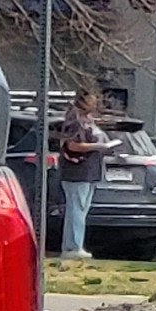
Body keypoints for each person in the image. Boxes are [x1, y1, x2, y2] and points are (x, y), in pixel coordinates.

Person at [49, 90, 118, 257]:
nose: (95, 103)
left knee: (82, 209)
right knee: (76, 209)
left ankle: (73, 245)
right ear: (83, 100)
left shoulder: (89, 120)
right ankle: (73, 247)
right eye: (92, 100)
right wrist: (97, 147)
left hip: (91, 172)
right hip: (77, 172)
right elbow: (72, 145)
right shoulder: (74, 121)